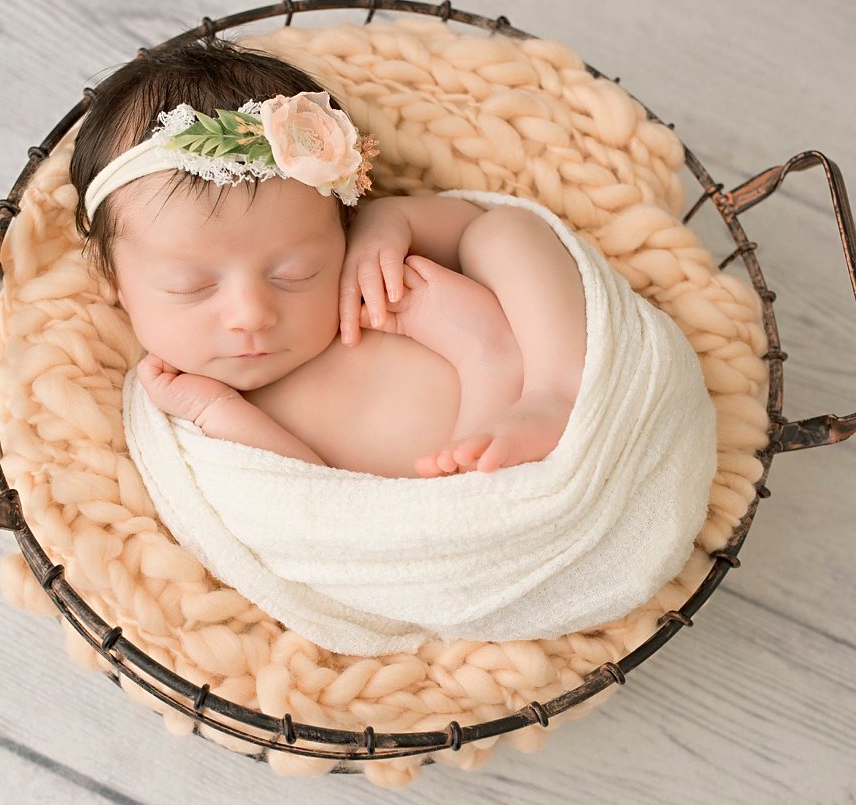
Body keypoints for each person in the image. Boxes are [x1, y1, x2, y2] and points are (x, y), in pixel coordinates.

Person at [72, 39, 586, 479]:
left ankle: (555, 390)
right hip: (455, 505)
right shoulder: (183, 402)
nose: (252, 314)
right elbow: (308, 499)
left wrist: (393, 223)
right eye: (191, 286)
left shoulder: (365, 267)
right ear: (112, 276)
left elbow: (475, 223)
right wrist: (217, 411)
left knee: (508, 230)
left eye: (296, 273)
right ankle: (492, 357)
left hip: (540, 398)